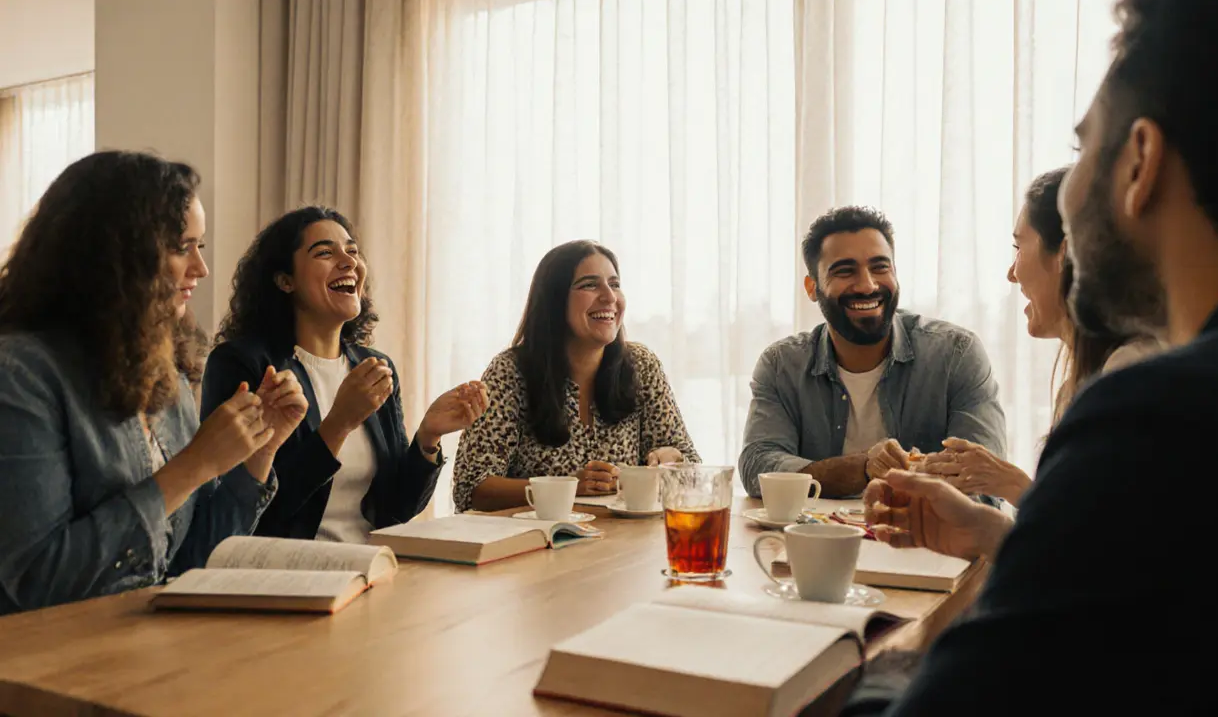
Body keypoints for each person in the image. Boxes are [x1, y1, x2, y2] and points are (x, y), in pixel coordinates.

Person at [848, 0, 1218, 712]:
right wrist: (1001, 535)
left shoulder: (1164, 415)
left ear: (1140, 164)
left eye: (1083, 153)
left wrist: (874, 675)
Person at [0, 151, 304, 615]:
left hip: (147, 653)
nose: (201, 269)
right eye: (183, 247)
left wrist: (258, 454)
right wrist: (194, 466)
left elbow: (192, 565)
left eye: (200, 246)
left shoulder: (169, 379)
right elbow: (38, 581)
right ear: (114, 256)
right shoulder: (20, 376)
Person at [204, 206, 488, 542]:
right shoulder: (242, 364)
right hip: (285, 573)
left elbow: (394, 510)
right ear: (284, 280)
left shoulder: (373, 367)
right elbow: (249, 511)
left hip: (368, 565)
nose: (349, 261)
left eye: (352, 251)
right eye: (325, 252)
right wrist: (338, 425)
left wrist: (427, 438)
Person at [920, 168, 1163, 505]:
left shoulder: (1130, 373)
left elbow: (1112, 534)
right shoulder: (1083, 382)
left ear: (1063, 253)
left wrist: (1014, 486)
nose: (1011, 273)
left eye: (1018, 247)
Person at [739, 206, 1006, 500]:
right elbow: (758, 467)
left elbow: (985, 481)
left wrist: (907, 479)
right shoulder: (781, 365)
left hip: (926, 543)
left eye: (880, 267)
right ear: (812, 287)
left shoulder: (957, 354)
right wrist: (863, 467)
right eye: (845, 270)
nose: (867, 285)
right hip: (820, 542)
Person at [453, 240, 699, 512]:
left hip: (620, 545)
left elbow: (691, 466)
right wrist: (567, 486)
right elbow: (472, 487)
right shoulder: (511, 372)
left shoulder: (641, 366)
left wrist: (671, 458)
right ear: (555, 300)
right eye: (590, 285)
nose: (609, 297)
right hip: (533, 545)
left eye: (614, 284)